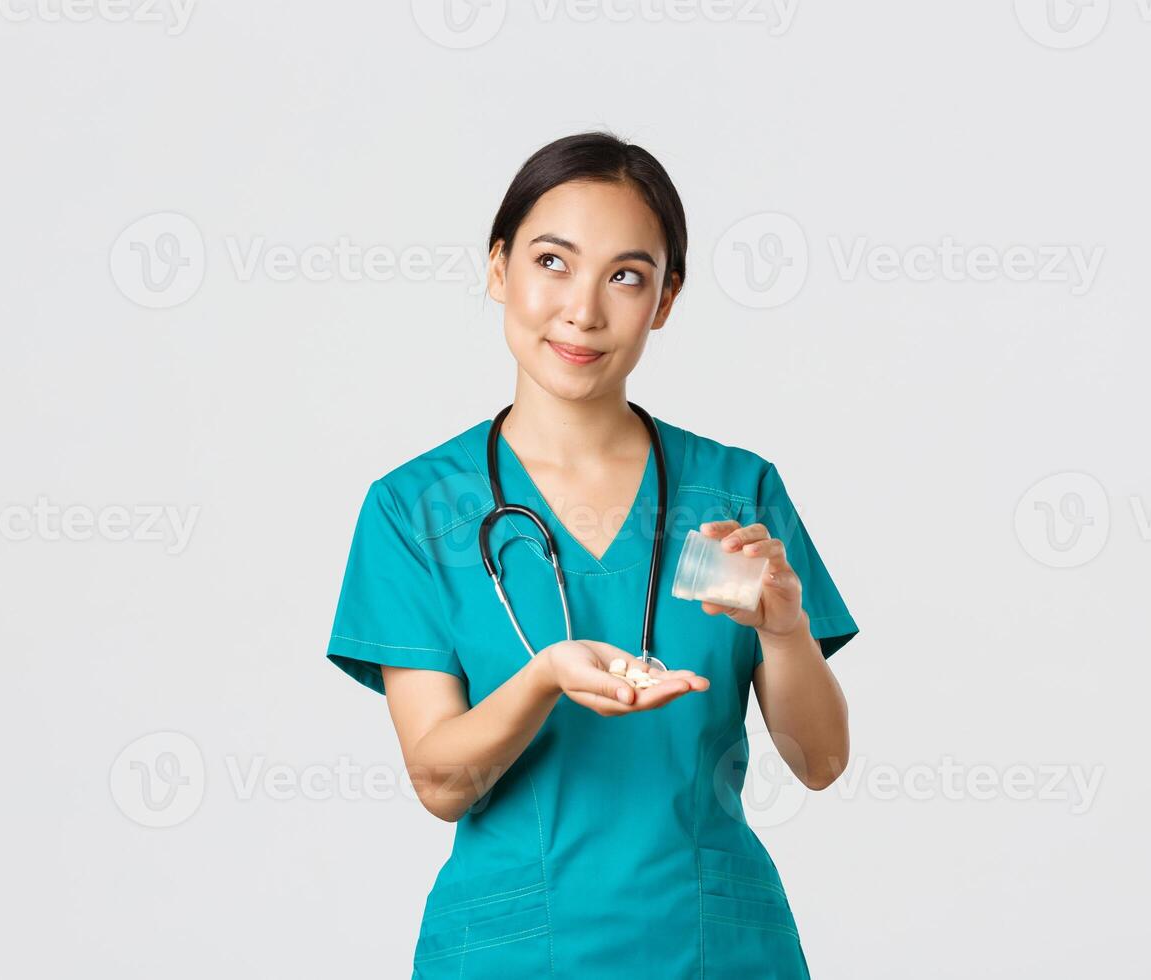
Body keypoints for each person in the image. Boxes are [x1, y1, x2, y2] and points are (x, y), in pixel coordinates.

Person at [325, 132, 859, 978]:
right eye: (551, 262)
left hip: (714, 951)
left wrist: (787, 633)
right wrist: (543, 677)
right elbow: (440, 783)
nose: (582, 310)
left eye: (625, 275)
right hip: (512, 952)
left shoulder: (732, 496)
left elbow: (820, 762)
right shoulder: (417, 509)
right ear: (498, 268)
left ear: (665, 299)